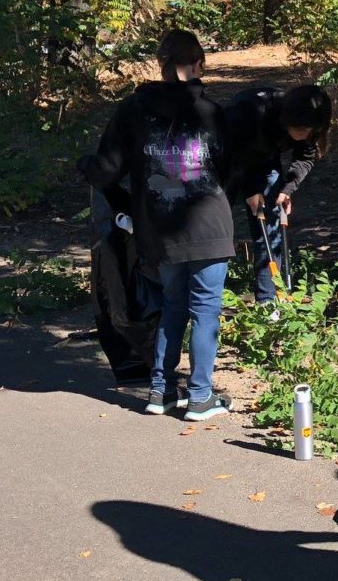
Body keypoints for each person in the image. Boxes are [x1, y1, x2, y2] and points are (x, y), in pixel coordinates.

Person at [78, 30, 234, 422]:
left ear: (161, 64)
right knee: (206, 311)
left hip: (158, 228)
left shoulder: (132, 109)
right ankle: (199, 397)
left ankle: (160, 391)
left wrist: (85, 167)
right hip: (208, 228)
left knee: (172, 307)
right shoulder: (211, 112)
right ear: (198, 64)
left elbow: (105, 171)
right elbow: (231, 169)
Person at [222, 83, 332, 307]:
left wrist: (287, 190)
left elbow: (305, 158)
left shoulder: (310, 122)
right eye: (299, 129)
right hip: (228, 158)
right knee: (218, 224)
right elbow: (234, 155)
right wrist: (250, 190)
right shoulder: (250, 112)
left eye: (308, 130)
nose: (303, 135)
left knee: (270, 225)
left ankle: (267, 300)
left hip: (264, 157)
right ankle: (210, 295)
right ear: (286, 119)